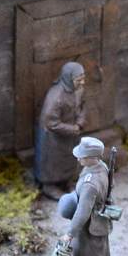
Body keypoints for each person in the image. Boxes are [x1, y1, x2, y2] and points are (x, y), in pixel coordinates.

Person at [60, 137, 114, 256]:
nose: (78, 159)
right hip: (97, 218)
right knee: (92, 252)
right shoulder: (101, 167)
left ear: (92, 157)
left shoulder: (90, 184)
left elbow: (82, 212)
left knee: (90, 253)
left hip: (89, 224)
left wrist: (70, 233)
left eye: (82, 156)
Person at [36, 62, 87, 198]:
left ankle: (66, 181)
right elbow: (50, 122)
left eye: (83, 78)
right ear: (68, 78)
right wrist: (72, 128)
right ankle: (49, 186)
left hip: (69, 135)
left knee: (69, 158)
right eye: (78, 80)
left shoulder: (78, 90)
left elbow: (82, 107)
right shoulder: (56, 96)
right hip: (53, 138)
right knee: (53, 162)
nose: (82, 82)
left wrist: (80, 123)